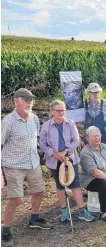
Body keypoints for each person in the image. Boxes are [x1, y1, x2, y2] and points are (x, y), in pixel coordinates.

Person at [1, 89, 53, 247]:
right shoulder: (8, 121)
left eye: (31, 99)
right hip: (14, 165)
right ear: (16, 100)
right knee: (15, 199)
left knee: (39, 191)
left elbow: (35, 140)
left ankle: (35, 219)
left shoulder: (34, 119)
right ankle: (6, 230)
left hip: (33, 163)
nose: (30, 102)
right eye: (26, 99)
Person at [39, 100, 94, 222]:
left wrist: (65, 152)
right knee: (60, 186)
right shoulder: (46, 126)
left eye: (62, 110)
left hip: (70, 159)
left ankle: (82, 210)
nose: (60, 113)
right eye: (58, 110)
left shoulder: (70, 123)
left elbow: (76, 140)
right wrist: (53, 153)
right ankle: (64, 210)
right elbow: (42, 143)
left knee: (75, 184)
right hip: (54, 160)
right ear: (52, 111)